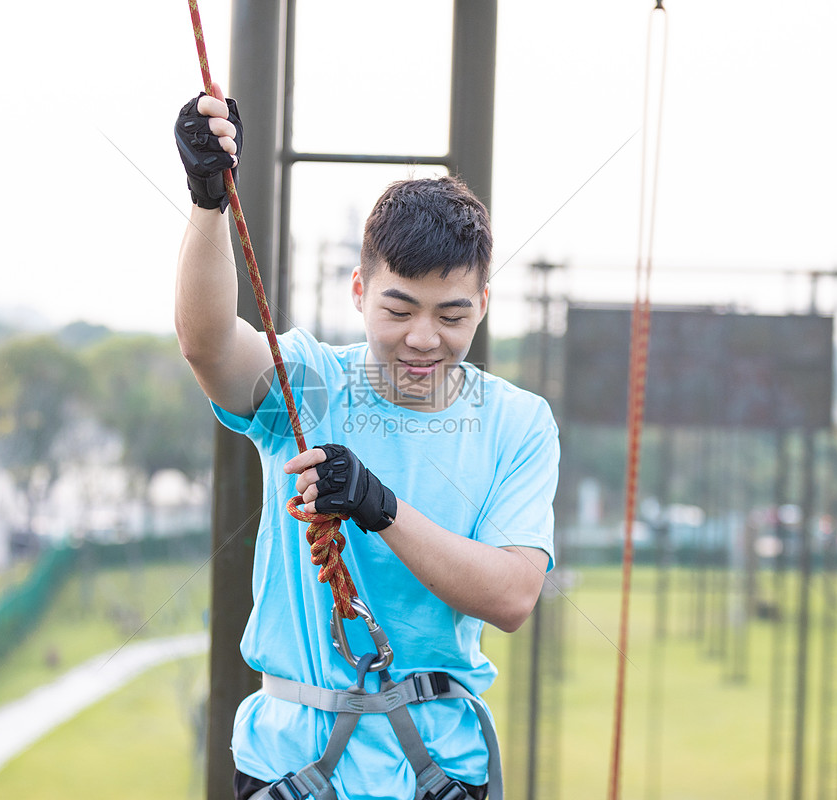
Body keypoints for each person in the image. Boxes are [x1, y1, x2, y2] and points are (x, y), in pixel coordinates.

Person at [175, 85, 559, 800]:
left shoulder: (518, 421)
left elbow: (512, 596)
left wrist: (380, 508)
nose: (424, 338)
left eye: (452, 316)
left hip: (436, 771)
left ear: (483, 304)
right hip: (295, 761)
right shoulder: (310, 382)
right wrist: (208, 203)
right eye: (399, 309)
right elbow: (209, 346)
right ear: (359, 290)